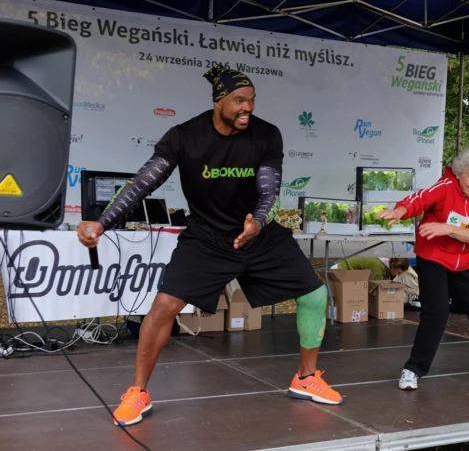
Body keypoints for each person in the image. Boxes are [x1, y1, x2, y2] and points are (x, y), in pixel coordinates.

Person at [76, 65, 342, 426]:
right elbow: (144, 181)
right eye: (239, 101)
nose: (247, 107)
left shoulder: (267, 135)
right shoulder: (185, 136)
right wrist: (103, 221)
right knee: (164, 305)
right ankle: (138, 392)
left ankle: (307, 378)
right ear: (218, 102)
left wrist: (259, 221)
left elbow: (269, 189)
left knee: (314, 294)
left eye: (251, 100)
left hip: (259, 234)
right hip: (207, 237)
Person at [376, 146, 469, 390]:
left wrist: (447, 228)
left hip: (464, 262)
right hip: (434, 256)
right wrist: (400, 211)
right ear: (459, 173)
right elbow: (419, 200)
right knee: (436, 312)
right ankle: (413, 369)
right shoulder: (445, 186)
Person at [331, 257, 410, 281]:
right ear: (393, 265)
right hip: (340, 271)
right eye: (398, 272)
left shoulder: (383, 263)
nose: (399, 275)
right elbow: (376, 287)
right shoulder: (378, 267)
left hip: (344, 272)